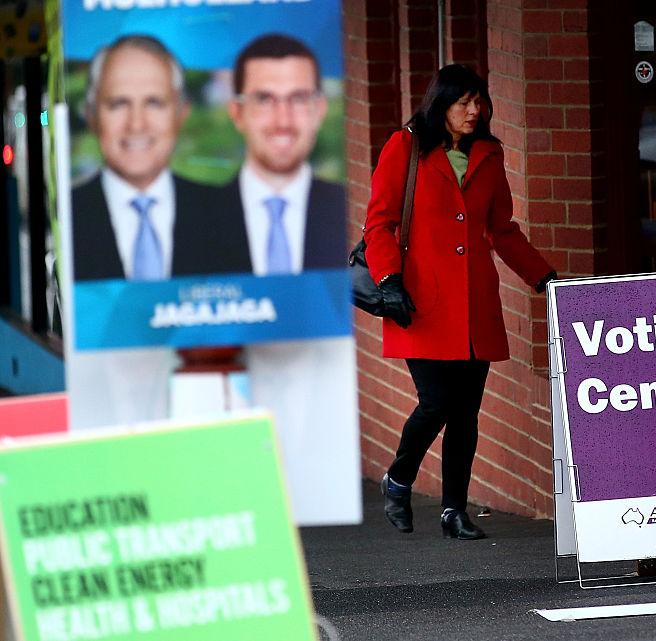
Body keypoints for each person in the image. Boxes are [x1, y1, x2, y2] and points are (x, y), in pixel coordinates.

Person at [364, 65, 557, 540]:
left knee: (466, 413)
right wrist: (388, 279)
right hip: (420, 303)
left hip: (473, 305)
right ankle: (400, 477)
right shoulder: (405, 146)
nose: (475, 111)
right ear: (441, 103)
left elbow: (503, 230)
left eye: (479, 102)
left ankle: (454, 510)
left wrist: (542, 276)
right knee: (435, 403)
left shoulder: (489, 155)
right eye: (464, 102)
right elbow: (379, 223)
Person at [73, 35, 249, 281]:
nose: (136, 124)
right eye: (118, 104)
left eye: (154, 103)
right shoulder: (66, 218)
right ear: (91, 115)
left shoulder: (230, 216)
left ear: (181, 114)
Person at [223, 33, 347, 276]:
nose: (283, 120)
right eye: (264, 99)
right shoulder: (192, 222)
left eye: (298, 98)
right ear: (237, 112)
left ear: (319, 110)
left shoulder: (350, 211)